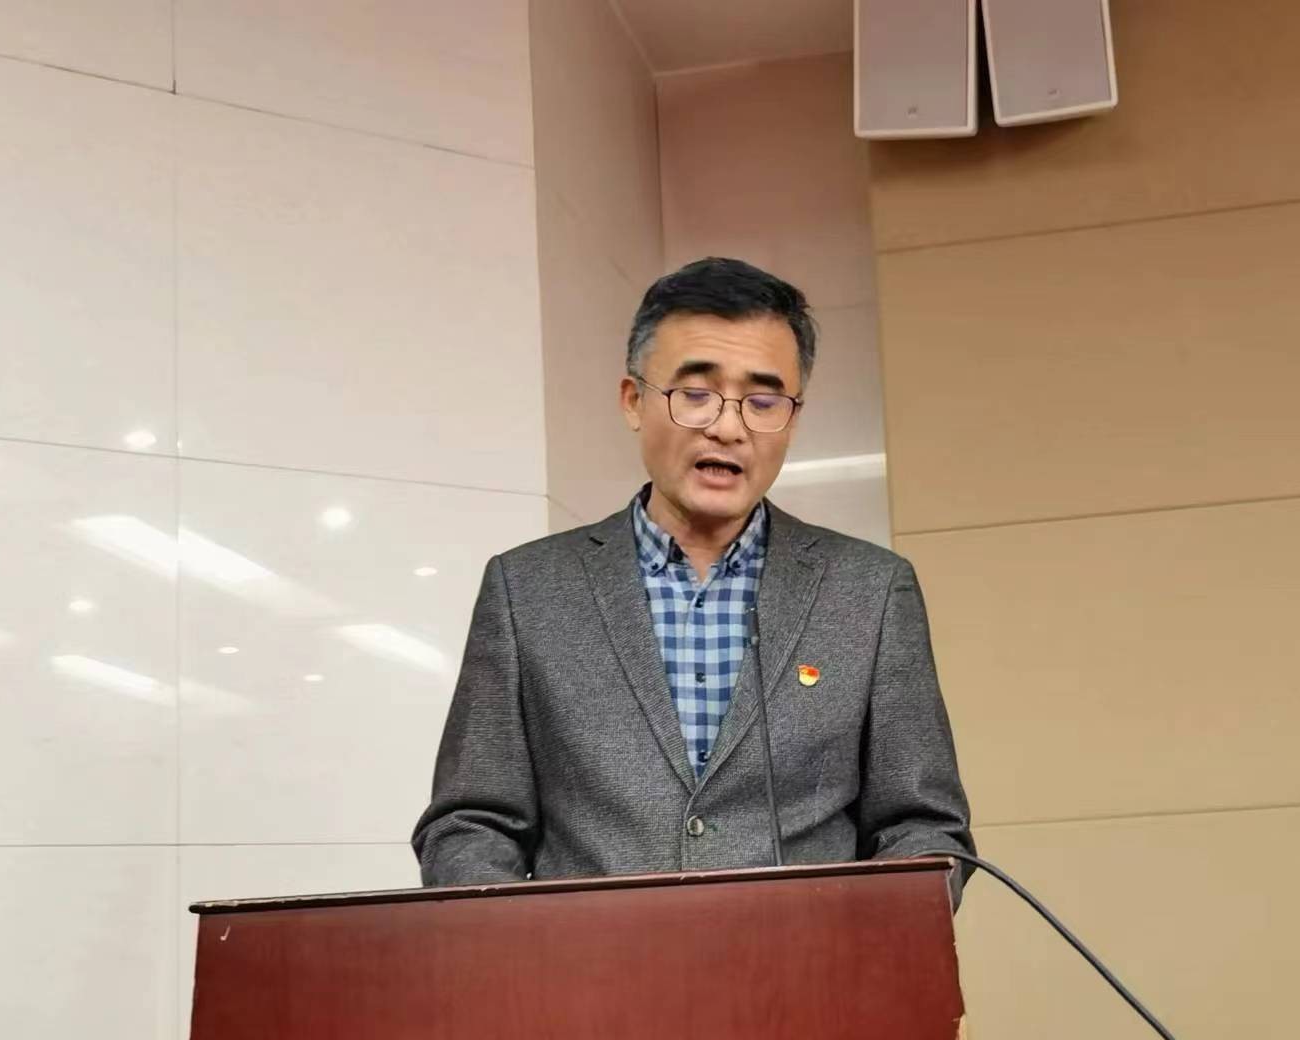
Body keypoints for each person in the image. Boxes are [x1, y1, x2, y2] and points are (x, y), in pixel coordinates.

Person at [412, 257, 974, 902]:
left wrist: (870, 934)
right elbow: (470, 824)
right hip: (587, 965)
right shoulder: (527, 590)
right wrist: (530, 943)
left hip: (806, 964)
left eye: (763, 401)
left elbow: (923, 826)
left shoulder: (870, 592)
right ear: (634, 401)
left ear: (792, 418)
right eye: (696, 395)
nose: (728, 427)